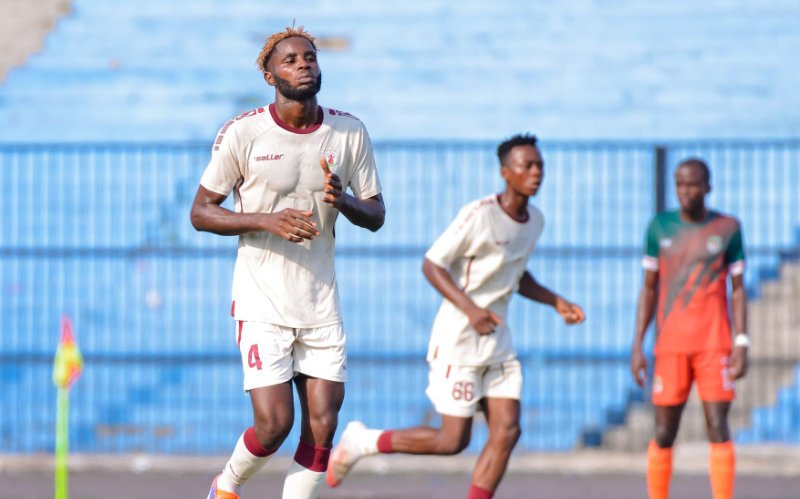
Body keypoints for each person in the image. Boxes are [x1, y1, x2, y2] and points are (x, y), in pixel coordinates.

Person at [326, 134, 585, 499]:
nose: (536, 172)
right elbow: (432, 264)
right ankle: (363, 441)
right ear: (505, 172)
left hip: (497, 343)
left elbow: (514, 274)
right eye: (526, 165)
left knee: (507, 431)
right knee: (452, 441)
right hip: (459, 340)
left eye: (539, 165)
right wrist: (472, 310)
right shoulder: (479, 215)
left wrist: (556, 301)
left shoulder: (535, 221)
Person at [190, 25, 385, 499]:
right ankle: (225, 488)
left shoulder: (349, 131)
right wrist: (266, 220)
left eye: (309, 57)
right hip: (263, 302)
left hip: (320, 302)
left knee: (322, 428)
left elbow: (376, 214)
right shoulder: (244, 132)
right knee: (275, 424)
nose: (303, 65)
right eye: (290, 60)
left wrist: (345, 202)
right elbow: (201, 212)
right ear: (270, 75)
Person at [629, 159, 748, 499]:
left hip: (714, 342)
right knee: (664, 432)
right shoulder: (659, 227)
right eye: (680, 184)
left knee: (718, 425)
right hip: (671, 344)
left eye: (693, 184)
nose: (686, 191)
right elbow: (648, 288)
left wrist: (741, 341)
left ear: (708, 187)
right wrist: (637, 346)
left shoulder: (727, 228)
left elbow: (738, 289)